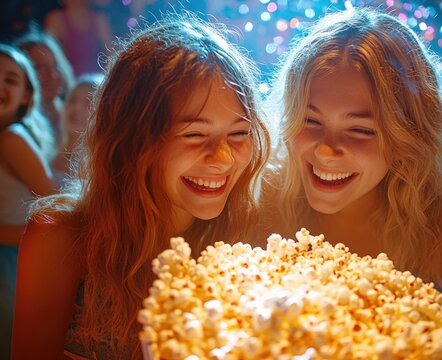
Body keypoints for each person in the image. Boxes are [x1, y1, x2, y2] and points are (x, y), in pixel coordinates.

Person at [258, 8, 442, 360]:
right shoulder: (263, 190)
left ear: (411, 134)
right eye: (310, 120)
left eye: (360, 129)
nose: (327, 151)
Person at [11, 14, 270, 359]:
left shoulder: (249, 246)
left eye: (239, 133)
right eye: (193, 134)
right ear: (131, 140)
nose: (222, 158)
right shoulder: (62, 239)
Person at [0, 44, 56, 359]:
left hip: (9, 267)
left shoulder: (12, 140)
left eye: (9, 79)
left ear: (25, 95)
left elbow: (53, 210)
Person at [14, 31, 75, 146]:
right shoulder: (17, 129)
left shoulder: (76, 114)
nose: (51, 75)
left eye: (55, 66)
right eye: (38, 67)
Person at [52, 72, 104, 187]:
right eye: (73, 100)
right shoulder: (47, 153)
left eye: (89, 102)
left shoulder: (102, 167)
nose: (76, 108)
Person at [44, 0, 113, 76]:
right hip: (68, 79)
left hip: (94, 80)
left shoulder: (98, 19)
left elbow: (110, 52)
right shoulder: (55, 19)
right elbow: (51, 56)